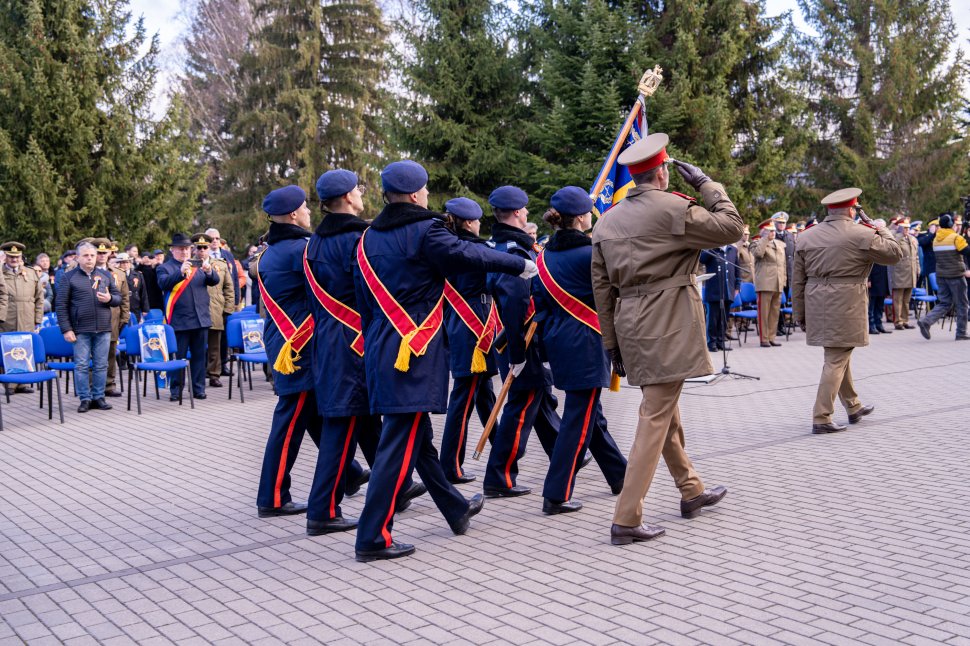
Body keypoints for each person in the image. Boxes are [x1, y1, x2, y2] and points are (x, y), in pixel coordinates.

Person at [352, 160, 533, 562]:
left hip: (382, 349)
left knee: (418, 440)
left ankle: (453, 507)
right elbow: (468, 256)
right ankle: (372, 536)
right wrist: (519, 264)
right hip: (412, 356)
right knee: (396, 447)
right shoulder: (424, 231)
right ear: (417, 195)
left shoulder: (367, 239)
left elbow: (364, 304)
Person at [591, 133, 738, 546]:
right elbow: (732, 227)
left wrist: (611, 342)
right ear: (663, 172)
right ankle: (626, 517)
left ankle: (691, 490)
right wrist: (707, 184)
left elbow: (602, 290)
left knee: (664, 409)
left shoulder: (607, 221)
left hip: (630, 324)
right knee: (655, 418)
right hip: (669, 322)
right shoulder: (675, 208)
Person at [304, 170, 414, 536]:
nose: (362, 194)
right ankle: (322, 511)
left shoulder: (313, 244)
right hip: (355, 344)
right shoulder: (358, 239)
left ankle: (395, 489)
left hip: (329, 342)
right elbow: (370, 291)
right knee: (342, 430)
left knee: (361, 424)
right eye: (358, 190)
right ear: (349, 197)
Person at [533, 187, 627, 515]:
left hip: (560, 344)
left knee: (591, 416)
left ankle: (620, 475)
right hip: (587, 344)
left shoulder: (543, 256)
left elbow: (540, 307)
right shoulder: (590, 254)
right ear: (583, 217)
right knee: (578, 420)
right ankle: (556, 494)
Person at [792, 188, 903, 434]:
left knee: (840, 353)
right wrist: (877, 227)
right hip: (846, 302)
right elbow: (895, 253)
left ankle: (853, 406)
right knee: (837, 357)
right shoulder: (861, 233)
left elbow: (797, 280)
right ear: (852, 209)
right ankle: (821, 416)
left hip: (815, 301)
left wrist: (799, 312)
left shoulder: (806, 237)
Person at [482, 186, 562, 499]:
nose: (527, 214)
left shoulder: (498, 243)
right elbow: (516, 305)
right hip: (520, 341)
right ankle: (499, 475)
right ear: (517, 212)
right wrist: (519, 354)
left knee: (538, 398)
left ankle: (564, 455)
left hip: (517, 339)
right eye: (525, 209)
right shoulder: (514, 251)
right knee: (520, 406)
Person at [252, 186, 324, 519]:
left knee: (308, 412)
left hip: (282, 340)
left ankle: (349, 472)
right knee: (290, 420)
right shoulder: (302, 250)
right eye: (306, 208)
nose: (310, 212)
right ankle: (273, 497)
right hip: (299, 346)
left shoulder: (269, 252)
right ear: (294, 214)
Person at [439, 197, 499, 484]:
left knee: (483, 393)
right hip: (475, 326)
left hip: (458, 322)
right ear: (470, 222)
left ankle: (502, 451)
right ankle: (451, 466)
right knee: (463, 401)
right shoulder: (475, 249)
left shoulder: (444, 249)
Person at [55, 241, 120, 412]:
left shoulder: (105, 275)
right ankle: (85, 398)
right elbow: (61, 305)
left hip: (103, 328)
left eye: (92, 255)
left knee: (101, 365)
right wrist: (66, 329)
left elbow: (118, 298)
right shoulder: (68, 277)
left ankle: (99, 397)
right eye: (86, 255)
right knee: (82, 365)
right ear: (77, 257)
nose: (90, 258)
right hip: (80, 330)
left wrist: (110, 299)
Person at [156, 233, 220, 401]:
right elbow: (163, 283)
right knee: (178, 357)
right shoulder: (165, 267)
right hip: (179, 321)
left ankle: (198, 389)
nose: (184, 252)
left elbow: (214, 281)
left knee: (199, 357)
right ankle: (176, 390)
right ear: (172, 250)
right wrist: (180, 272)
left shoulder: (198, 265)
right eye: (180, 249)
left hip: (200, 319)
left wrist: (209, 271)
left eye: (187, 248)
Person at [917, 213, 970, 341]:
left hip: (941, 275)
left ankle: (926, 321)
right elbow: (967, 252)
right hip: (956, 275)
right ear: (951, 225)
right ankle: (961, 332)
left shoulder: (936, 239)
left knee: (945, 303)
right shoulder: (956, 238)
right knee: (962, 304)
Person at [1, 242, 45, 394]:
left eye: (17, 257)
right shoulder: (0, 272)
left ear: (21, 257)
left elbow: (39, 297)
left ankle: (23, 383)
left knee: (25, 349)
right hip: (7, 317)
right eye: (11, 257)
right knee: (8, 350)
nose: (14, 260)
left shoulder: (31, 273)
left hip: (27, 317)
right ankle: (10, 384)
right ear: (5, 257)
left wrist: (38, 319)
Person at [197, 234, 235, 388]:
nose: (202, 250)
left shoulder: (221, 264)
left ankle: (214, 374)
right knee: (198, 346)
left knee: (215, 346)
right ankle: (198, 375)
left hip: (215, 309)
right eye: (199, 248)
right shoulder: (189, 265)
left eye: (204, 247)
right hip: (196, 311)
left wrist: (227, 309)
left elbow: (229, 288)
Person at [94, 240, 130, 397]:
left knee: (110, 353)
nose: (102, 255)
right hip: (93, 319)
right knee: (92, 355)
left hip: (113, 319)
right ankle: (93, 387)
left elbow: (124, 299)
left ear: (110, 253)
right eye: (99, 252)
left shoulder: (119, 273)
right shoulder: (86, 271)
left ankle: (109, 385)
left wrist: (124, 317)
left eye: (104, 252)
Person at [699, 243, 741, 352]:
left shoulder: (733, 250)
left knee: (724, 318)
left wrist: (737, 286)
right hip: (714, 290)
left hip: (728, 289)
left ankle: (720, 341)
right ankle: (711, 343)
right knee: (713, 318)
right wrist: (713, 246)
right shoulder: (711, 248)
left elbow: (737, 270)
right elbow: (702, 259)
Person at [751, 222, 786, 347]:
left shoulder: (780, 244)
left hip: (778, 282)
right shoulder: (757, 243)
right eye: (769, 231)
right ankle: (764, 339)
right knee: (764, 312)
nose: (773, 232)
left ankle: (771, 337)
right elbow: (758, 254)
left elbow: (783, 264)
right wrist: (765, 239)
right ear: (763, 232)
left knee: (774, 312)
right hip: (765, 282)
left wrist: (784, 280)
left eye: (773, 230)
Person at [890, 216, 919, 329]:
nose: (907, 230)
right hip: (899, 273)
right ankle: (898, 321)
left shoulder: (911, 239)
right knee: (898, 300)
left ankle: (905, 320)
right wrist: (898, 231)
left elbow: (915, 256)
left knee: (907, 300)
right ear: (900, 227)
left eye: (908, 228)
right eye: (904, 228)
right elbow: (892, 250)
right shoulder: (896, 238)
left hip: (910, 272)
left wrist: (917, 269)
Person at [122, 253, 150, 323]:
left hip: (135, 305)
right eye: (123, 262)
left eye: (127, 262)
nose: (125, 264)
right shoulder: (115, 275)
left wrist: (145, 309)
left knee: (135, 326)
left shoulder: (138, 275)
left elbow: (143, 292)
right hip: (122, 305)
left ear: (130, 263)